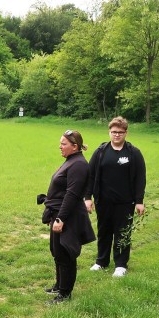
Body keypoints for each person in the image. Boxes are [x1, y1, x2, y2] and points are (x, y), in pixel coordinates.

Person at [84, 116, 146, 277]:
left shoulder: (133, 153)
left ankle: (121, 265)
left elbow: (140, 178)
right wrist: (88, 198)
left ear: (126, 133)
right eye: (113, 132)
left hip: (125, 202)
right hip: (103, 201)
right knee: (104, 231)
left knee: (123, 232)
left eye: (120, 132)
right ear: (109, 132)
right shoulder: (101, 152)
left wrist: (139, 201)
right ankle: (101, 261)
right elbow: (90, 175)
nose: (117, 135)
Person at [42, 130, 96, 303]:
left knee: (65, 253)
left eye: (63, 144)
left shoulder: (79, 164)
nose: (60, 146)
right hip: (58, 212)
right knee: (57, 251)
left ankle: (65, 293)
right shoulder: (71, 161)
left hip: (68, 215)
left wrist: (61, 219)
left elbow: (72, 194)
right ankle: (59, 285)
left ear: (75, 146)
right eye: (60, 143)